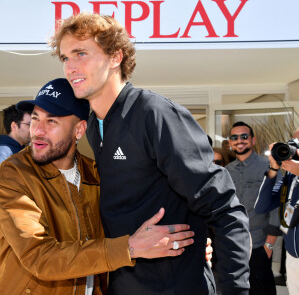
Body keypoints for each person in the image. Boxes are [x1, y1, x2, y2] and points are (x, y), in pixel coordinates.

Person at [51, 13, 251, 295]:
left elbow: (226, 212)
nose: (70, 67)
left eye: (80, 53)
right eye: (64, 58)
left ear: (115, 57)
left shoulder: (155, 115)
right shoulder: (95, 126)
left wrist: (234, 289)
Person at [0, 78, 195, 295]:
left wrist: (186, 243)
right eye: (35, 118)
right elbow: (39, 256)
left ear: (79, 130)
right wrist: (129, 248)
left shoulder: (95, 172)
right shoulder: (12, 174)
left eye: (52, 121)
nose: (37, 131)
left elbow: (133, 220)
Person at [226, 121, 281, 295]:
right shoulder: (225, 171)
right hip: (233, 245)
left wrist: (269, 246)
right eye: (234, 137)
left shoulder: (269, 166)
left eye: (244, 136)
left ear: (253, 140)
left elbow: (276, 207)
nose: (239, 140)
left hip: (259, 245)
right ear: (229, 142)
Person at [255, 128, 299, 294]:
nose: (296, 147)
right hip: (293, 257)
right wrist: (273, 169)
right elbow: (261, 206)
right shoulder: (290, 178)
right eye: (293, 141)